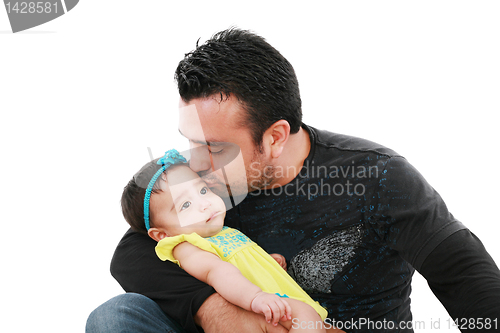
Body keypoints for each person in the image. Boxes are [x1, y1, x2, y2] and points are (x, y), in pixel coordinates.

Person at [86, 28, 500, 333]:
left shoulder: (376, 176)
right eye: (190, 142)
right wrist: (218, 313)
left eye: (213, 146)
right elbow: (133, 251)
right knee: (116, 317)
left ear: (275, 137)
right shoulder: (204, 182)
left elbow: (464, 275)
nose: (197, 162)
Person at [119, 148, 341, 332]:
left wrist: (264, 262)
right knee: (304, 317)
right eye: (185, 205)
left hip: (279, 300)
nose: (204, 203)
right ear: (161, 235)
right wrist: (255, 297)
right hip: (259, 307)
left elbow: (238, 261)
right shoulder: (186, 246)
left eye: (203, 190)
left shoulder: (222, 231)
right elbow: (217, 272)